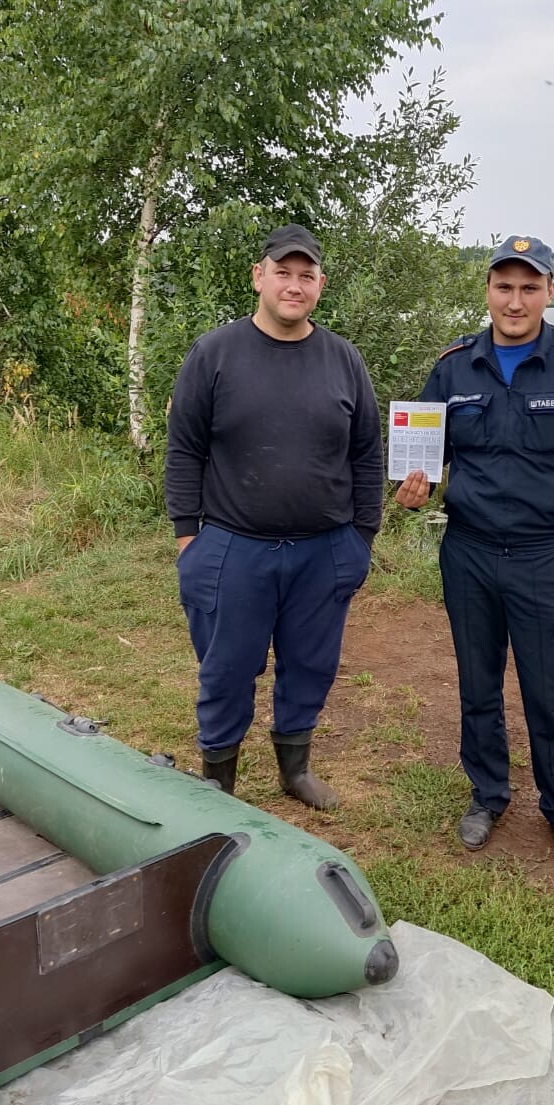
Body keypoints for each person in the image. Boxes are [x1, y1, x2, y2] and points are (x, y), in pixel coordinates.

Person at [395, 235, 554, 866]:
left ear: (550, 292)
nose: (516, 300)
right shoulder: (453, 366)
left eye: (530, 287)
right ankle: (488, 794)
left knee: (549, 691)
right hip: (467, 552)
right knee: (478, 684)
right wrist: (409, 488)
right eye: (505, 286)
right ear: (488, 291)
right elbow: (422, 457)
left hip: (544, 556)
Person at [165, 223, 383, 808]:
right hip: (233, 547)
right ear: (258, 276)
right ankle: (218, 782)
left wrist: (362, 536)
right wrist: (190, 538)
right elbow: (184, 448)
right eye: (282, 273)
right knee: (227, 670)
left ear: (321, 284)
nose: (294, 285)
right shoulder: (214, 353)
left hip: (324, 548)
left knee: (310, 665)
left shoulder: (343, 359)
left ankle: (296, 770)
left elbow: (366, 451)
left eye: (305, 275)